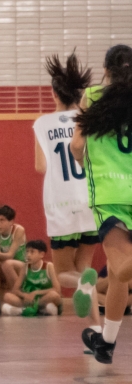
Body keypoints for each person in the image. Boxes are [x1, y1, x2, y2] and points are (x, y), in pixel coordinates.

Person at [72, 44, 132, 363]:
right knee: (121, 275)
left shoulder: (93, 96)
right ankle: (106, 342)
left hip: (111, 194)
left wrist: (84, 163)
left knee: (120, 265)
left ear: (106, 70)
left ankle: (106, 340)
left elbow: (77, 145)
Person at [34, 53, 99, 291]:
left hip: (61, 204)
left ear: (54, 93)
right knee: (83, 266)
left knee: (62, 274)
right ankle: (95, 309)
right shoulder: (89, 120)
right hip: (90, 199)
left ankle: (96, 289)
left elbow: (40, 166)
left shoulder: (43, 123)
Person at [0, 240, 61, 316]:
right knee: (7, 296)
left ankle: (23, 310)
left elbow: (57, 289)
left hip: (43, 298)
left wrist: (36, 293)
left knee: (54, 295)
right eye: (27, 252)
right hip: (29, 300)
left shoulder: (49, 266)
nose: (28, 255)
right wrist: (25, 295)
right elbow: (15, 290)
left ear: (41, 254)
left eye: (32, 252)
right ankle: (37, 310)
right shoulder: (25, 267)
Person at [0, 205, 27, 315]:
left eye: (2, 220)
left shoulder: (18, 230)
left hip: (22, 266)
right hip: (5, 263)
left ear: (11, 222)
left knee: (7, 264)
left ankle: (20, 296)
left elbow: (10, 255)